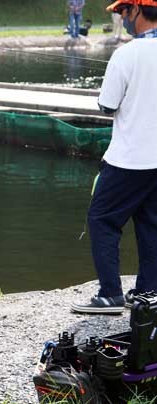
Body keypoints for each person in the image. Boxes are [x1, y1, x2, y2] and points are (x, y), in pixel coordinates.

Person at [71, 0, 157, 314]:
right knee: (151, 224)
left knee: (102, 220)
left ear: (137, 11)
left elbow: (107, 105)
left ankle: (110, 295)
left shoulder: (127, 54)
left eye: (123, 11)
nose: (122, 17)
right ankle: (149, 293)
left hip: (130, 158)